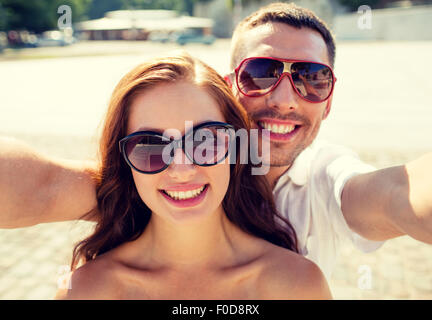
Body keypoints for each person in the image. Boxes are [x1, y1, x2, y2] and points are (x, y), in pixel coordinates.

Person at [0, 2, 431, 281]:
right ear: (230, 89)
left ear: (329, 101)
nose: (283, 99)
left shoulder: (322, 181)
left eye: (311, 78)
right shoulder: (155, 169)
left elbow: (398, 195)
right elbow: (40, 189)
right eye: (260, 73)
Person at [54, 53, 331, 299]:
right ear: (125, 162)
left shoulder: (297, 285)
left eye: (204, 141)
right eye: (150, 146)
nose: (182, 169)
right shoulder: (86, 291)